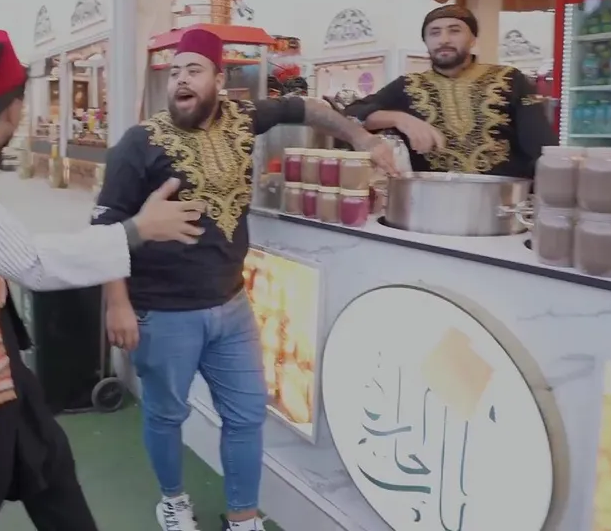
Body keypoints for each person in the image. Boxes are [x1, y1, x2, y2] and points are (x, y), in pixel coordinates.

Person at [0, 28, 205, 531]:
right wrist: (138, 230)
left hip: (3, 372)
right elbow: (30, 261)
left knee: (54, 477)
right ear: (15, 108)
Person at [93, 28, 397, 531]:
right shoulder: (138, 143)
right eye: (175, 72)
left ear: (218, 80)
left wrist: (361, 138)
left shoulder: (243, 118)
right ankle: (172, 500)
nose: (181, 80)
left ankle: (243, 517)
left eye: (193, 71)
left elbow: (306, 109)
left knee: (247, 414)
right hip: (162, 311)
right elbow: (104, 229)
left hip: (232, 307)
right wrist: (117, 303)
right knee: (166, 415)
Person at [345, 4, 558, 178]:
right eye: (434, 33)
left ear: (473, 39)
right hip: (434, 199)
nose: (444, 39)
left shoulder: (510, 79)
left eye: (454, 31)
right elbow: (352, 114)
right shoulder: (408, 85)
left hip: (503, 202)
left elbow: (542, 149)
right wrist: (400, 119)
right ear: (426, 42)